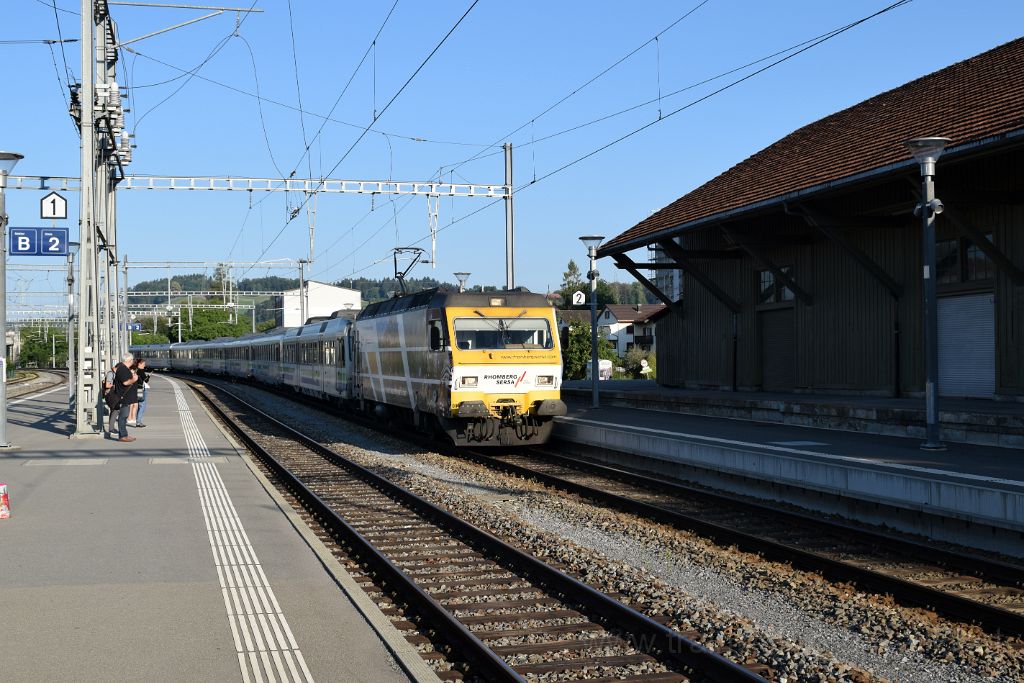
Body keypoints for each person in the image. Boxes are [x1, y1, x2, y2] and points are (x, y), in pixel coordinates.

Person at [106, 353, 138, 442]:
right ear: (129, 360)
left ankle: (124, 435)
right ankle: (123, 436)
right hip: (124, 397)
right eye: (132, 360)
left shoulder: (123, 369)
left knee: (124, 416)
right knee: (123, 416)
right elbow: (125, 382)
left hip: (125, 397)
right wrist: (134, 379)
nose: (132, 361)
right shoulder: (123, 369)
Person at [130, 358, 149, 427]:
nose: (144, 365)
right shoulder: (140, 371)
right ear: (139, 364)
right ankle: (138, 422)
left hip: (136, 389)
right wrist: (148, 377)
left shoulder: (136, 370)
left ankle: (138, 421)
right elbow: (146, 380)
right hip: (140, 389)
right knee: (142, 405)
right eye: (143, 364)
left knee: (139, 405)